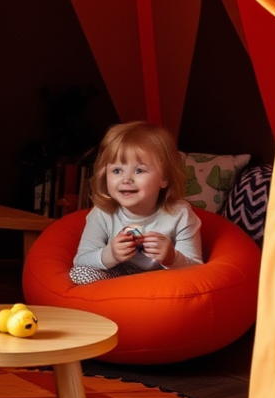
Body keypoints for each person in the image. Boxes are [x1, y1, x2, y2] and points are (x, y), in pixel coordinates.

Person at [70, 121, 203, 284]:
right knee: (79, 273)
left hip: (163, 282)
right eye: (117, 170)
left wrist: (171, 257)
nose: (126, 180)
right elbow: (81, 260)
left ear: (164, 178)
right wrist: (110, 254)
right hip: (115, 279)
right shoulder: (103, 212)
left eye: (139, 170)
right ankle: (122, 304)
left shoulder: (180, 214)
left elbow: (197, 269)